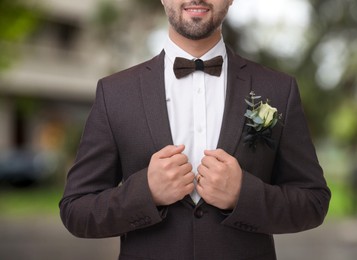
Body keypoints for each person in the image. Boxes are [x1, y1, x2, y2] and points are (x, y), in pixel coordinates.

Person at [60, 0, 331, 259]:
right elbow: (76, 210)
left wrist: (243, 194)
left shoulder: (277, 90)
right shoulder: (115, 93)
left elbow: (314, 202)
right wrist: (146, 192)